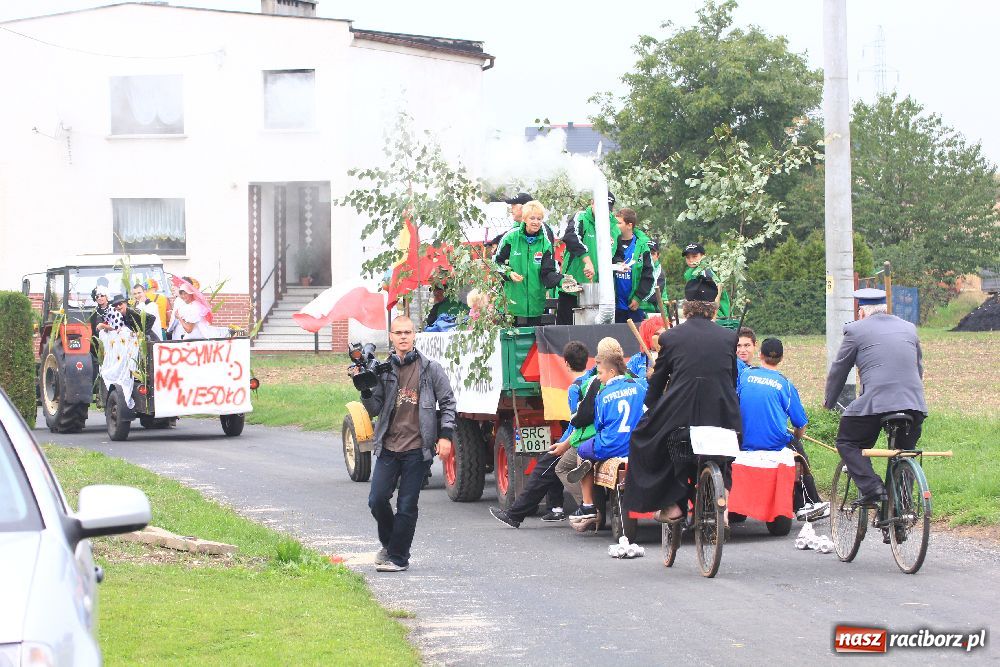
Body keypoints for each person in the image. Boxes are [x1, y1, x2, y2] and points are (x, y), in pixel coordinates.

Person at [623, 277, 742, 523]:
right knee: (725, 452)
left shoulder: (671, 337)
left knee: (644, 438)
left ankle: (673, 505)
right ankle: (724, 503)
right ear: (713, 308)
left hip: (681, 412)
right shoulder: (729, 337)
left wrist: (649, 406)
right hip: (722, 412)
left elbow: (658, 379)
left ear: (686, 307)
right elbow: (732, 379)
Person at [358, 315, 456, 572]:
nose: (403, 337)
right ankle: (392, 545)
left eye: (407, 332)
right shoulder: (383, 371)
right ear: (391, 337)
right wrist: (365, 390)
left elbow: (448, 403)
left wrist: (446, 436)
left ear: (414, 336)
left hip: (417, 449)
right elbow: (374, 408)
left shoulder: (430, 369)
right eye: (398, 333)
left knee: (406, 505)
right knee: (377, 500)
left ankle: (399, 558)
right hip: (388, 447)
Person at [824, 288, 927, 507]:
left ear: (861, 311)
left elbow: (839, 370)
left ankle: (872, 488)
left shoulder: (855, 330)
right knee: (904, 452)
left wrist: (829, 402)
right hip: (914, 404)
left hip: (877, 402)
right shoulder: (909, 328)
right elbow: (918, 368)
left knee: (848, 442)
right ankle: (903, 506)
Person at [487, 341, 593, 528]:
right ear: (587, 361)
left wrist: (563, 444)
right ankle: (555, 507)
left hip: (578, 439)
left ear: (566, 363)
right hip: (590, 436)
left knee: (542, 470)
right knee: (549, 467)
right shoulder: (593, 379)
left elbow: (576, 423)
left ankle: (515, 515)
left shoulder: (575, 388)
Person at [736, 338, 828, 519]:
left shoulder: (744, 375)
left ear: (760, 354)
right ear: (782, 358)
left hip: (743, 440)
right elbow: (800, 424)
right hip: (774, 444)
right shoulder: (785, 384)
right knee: (798, 450)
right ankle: (808, 502)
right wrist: (796, 437)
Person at [564, 348, 646, 521]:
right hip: (637, 444)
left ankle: (588, 505)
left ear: (612, 371)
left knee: (582, 450)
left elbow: (599, 424)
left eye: (600, 373)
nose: (598, 377)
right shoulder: (640, 386)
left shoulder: (602, 393)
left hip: (610, 446)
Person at [494, 200, 563, 325]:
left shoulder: (545, 243)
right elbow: (496, 262)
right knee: (512, 336)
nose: (536, 222)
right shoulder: (511, 237)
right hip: (511, 304)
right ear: (524, 219)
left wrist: (562, 281)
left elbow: (548, 271)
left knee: (533, 337)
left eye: (539, 219)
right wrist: (509, 273)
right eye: (532, 218)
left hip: (535, 305)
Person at [557, 191, 617, 325]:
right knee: (566, 331)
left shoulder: (613, 227)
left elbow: (617, 254)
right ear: (592, 203)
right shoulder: (581, 218)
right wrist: (587, 261)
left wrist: (619, 264)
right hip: (572, 288)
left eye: (606, 209)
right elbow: (571, 237)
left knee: (594, 332)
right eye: (600, 207)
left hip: (598, 293)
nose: (603, 212)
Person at [611, 208, 654, 324]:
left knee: (635, 335)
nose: (615, 226)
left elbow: (648, 275)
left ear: (629, 225)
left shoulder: (642, 246)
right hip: (614, 305)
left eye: (619, 223)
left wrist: (638, 297)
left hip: (634, 305)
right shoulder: (610, 243)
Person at [682, 243, 731, 319]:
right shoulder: (690, 272)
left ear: (703, 256)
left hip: (716, 313)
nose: (691, 260)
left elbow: (718, 288)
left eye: (694, 256)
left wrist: (714, 315)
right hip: (699, 310)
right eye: (688, 257)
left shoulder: (705, 271)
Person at [626, 315, 667, 381]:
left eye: (663, 334)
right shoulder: (637, 359)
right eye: (657, 334)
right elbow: (626, 382)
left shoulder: (673, 355)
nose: (660, 337)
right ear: (647, 337)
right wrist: (646, 379)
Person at [640, 240, 666, 316]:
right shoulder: (636, 269)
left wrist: (665, 316)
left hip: (652, 312)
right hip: (634, 310)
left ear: (658, 256)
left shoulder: (660, 273)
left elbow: (663, 298)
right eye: (647, 253)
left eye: (652, 254)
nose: (649, 257)